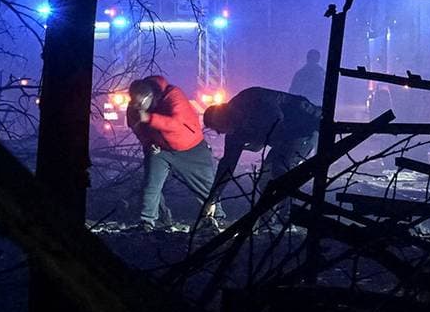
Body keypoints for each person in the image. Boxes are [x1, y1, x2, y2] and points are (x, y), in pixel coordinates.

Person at [202, 86, 321, 215]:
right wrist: (213, 198)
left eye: (219, 128)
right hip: (284, 137)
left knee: (279, 170)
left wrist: (258, 141)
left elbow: (276, 118)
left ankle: (287, 215)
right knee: (266, 177)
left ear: (222, 117)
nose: (221, 133)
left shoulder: (248, 99)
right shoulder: (235, 132)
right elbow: (227, 165)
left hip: (303, 127)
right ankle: (269, 219)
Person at [127, 75, 220, 230]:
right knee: (151, 184)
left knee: (205, 186)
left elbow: (176, 124)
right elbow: (137, 128)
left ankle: (215, 219)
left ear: (149, 96)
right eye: (134, 103)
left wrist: (149, 118)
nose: (136, 108)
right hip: (160, 149)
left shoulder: (173, 95)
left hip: (191, 147)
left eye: (140, 104)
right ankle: (146, 221)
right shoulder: (135, 107)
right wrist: (148, 143)